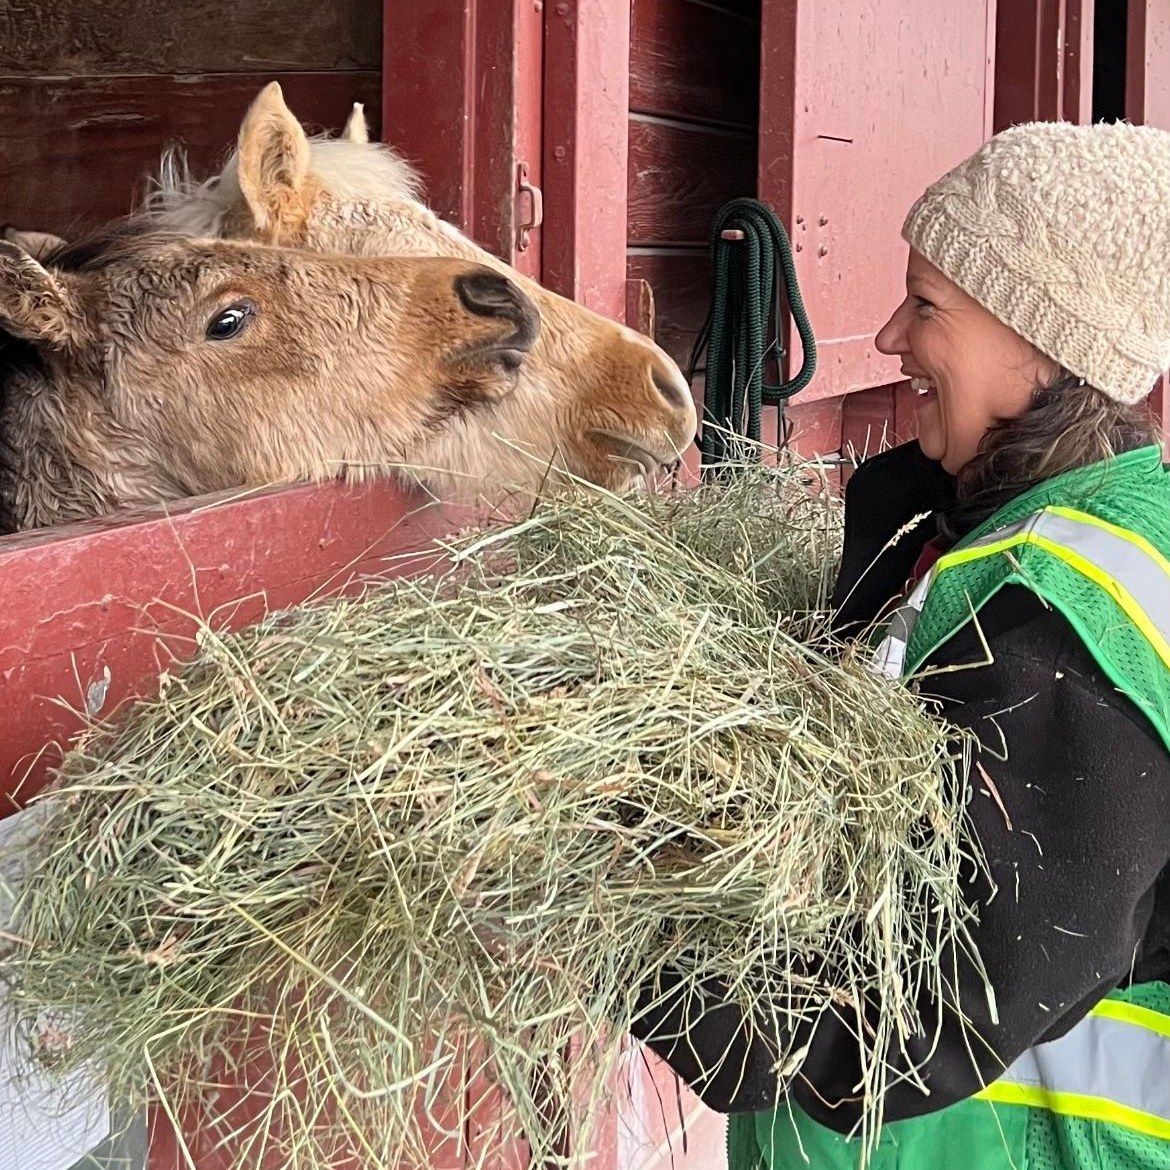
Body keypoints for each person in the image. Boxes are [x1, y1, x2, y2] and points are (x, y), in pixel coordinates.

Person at [630, 121, 1170, 1169]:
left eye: (928, 306)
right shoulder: (976, 532)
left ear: (1044, 344)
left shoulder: (1071, 613)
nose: (887, 338)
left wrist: (602, 904)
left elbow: (904, 1018)